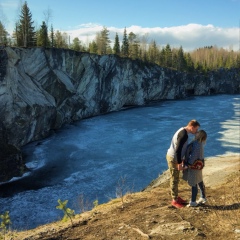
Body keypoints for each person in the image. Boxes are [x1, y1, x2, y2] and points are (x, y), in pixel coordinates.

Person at [166, 119, 200, 208]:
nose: (196, 131)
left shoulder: (182, 131)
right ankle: (174, 200)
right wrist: (179, 163)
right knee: (174, 178)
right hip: (174, 158)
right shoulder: (184, 135)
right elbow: (178, 150)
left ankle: (176, 197)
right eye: (196, 129)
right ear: (192, 127)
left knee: (176, 178)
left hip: (175, 157)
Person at [183, 130, 207, 207]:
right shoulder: (200, 144)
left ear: (199, 135)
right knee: (199, 181)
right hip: (199, 166)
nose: (195, 133)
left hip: (194, 167)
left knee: (194, 183)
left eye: (197, 133)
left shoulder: (196, 144)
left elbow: (193, 156)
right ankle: (203, 197)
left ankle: (193, 201)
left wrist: (188, 164)